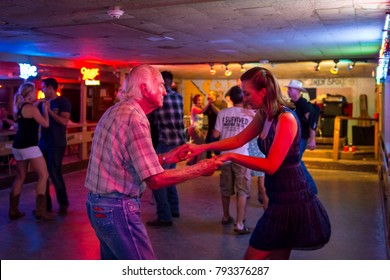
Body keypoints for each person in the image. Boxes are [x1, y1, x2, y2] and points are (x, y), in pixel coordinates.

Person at [186, 67, 331, 260]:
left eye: (247, 93)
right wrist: (202, 148)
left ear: (263, 91)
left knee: (253, 258)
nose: (244, 98)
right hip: (278, 195)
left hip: (292, 196)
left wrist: (231, 157)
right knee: (278, 258)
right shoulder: (264, 114)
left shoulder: (285, 119)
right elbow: (238, 140)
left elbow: (271, 165)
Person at [85, 65, 222, 260]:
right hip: (117, 207)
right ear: (145, 89)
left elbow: (129, 162)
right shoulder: (134, 118)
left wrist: (168, 157)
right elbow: (155, 180)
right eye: (160, 85)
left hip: (100, 205)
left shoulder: (119, 110)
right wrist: (200, 168)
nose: (165, 90)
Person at [146, 71, 187, 227]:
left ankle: (164, 216)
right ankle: (174, 209)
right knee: (170, 177)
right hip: (179, 143)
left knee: (156, 179)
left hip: (166, 143)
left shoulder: (159, 98)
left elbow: (151, 119)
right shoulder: (178, 97)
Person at [213, 85, 254, 234]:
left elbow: (216, 135)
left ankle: (225, 216)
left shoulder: (223, 113)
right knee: (242, 190)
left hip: (225, 157)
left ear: (230, 98)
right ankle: (239, 224)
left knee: (225, 189)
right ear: (243, 98)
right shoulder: (249, 114)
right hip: (242, 157)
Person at [9, 82, 52, 220]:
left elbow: (28, 114)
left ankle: (13, 210)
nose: (36, 94)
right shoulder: (33, 109)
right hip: (30, 146)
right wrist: (45, 110)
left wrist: (37, 104)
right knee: (43, 175)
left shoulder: (19, 108)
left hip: (17, 147)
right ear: (30, 94)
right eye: (34, 92)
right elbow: (45, 124)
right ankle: (41, 211)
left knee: (20, 177)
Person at [39, 77, 72, 215]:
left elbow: (64, 121)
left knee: (54, 172)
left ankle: (63, 203)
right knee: (43, 174)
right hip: (43, 143)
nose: (42, 90)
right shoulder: (42, 103)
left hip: (57, 143)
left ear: (51, 88)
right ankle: (46, 206)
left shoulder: (63, 102)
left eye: (44, 87)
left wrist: (50, 111)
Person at [286, 80, 318, 195]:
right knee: (296, 161)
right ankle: (303, 187)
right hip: (296, 138)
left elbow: (312, 122)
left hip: (302, 138)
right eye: (288, 89)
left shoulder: (303, 104)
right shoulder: (292, 104)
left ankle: (311, 188)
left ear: (298, 91)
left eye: (291, 89)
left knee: (296, 161)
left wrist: (312, 139)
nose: (288, 91)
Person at [187, 94, 209, 165]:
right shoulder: (194, 108)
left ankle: (192, 161)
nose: (200, 101)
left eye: (201, 100)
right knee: (203, 146)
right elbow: (201, 111)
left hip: (198, 129)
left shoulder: (198, 107)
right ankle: (201, 164)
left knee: (198, 146)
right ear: (195, 100)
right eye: (199, 100)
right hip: (194, 129)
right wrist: (209, 103)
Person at [203, 90, 221, 159]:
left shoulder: (219, 103)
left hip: (217, 129)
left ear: (214, 96)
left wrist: (211, 104)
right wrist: (208, 104)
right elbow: (202, 112)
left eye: (210, 95)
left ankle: (219, 161)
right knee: (207, 145)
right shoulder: (209, 105)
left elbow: (219, 112)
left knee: (217, 147)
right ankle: (208, 161)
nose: (208, 96)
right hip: (210, 128)